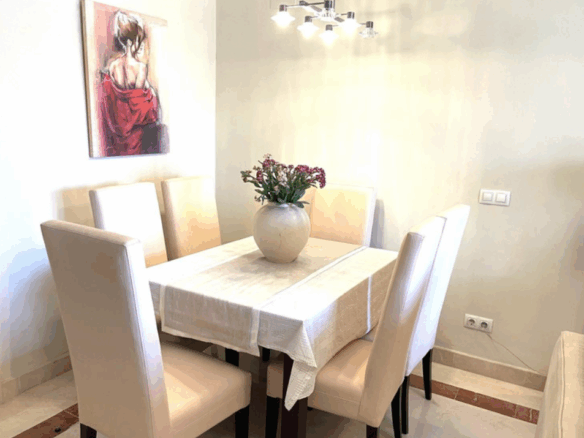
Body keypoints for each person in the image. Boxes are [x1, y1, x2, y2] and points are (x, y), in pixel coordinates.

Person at [99, 11, 163, 156]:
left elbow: (112, 99)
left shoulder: (113, 66)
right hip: (135, 136)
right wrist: (152, 94)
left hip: (117, 136)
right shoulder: (140, 68)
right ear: (132, 42)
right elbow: (139, 107)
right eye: (138, 41)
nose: (139, 45)